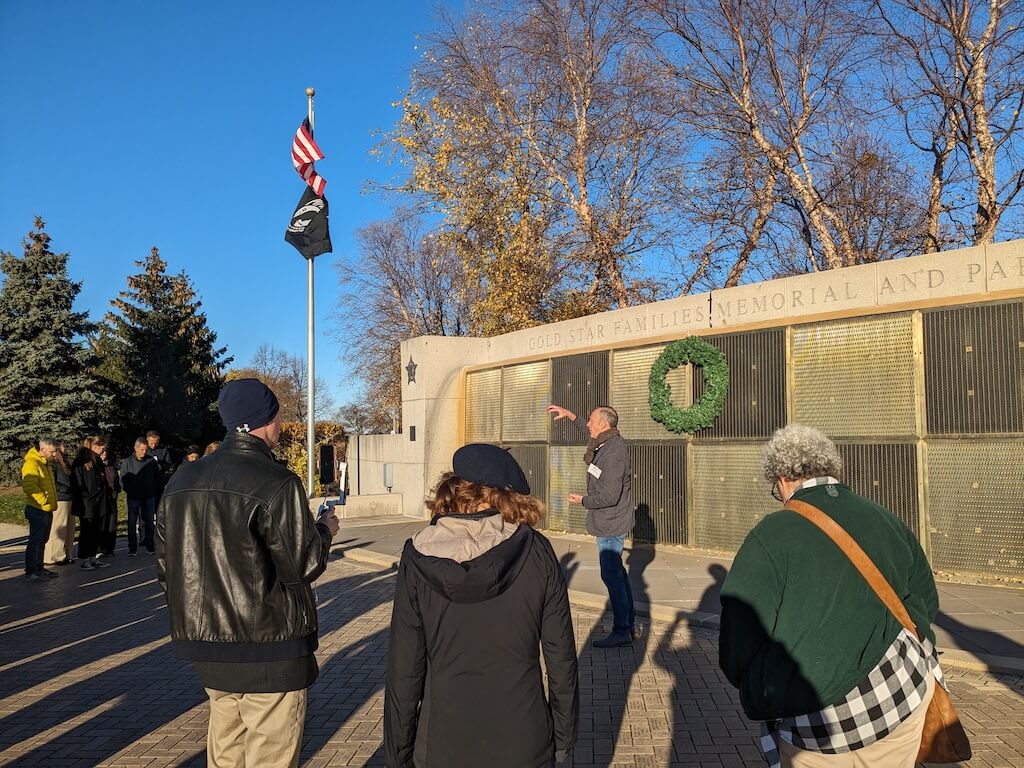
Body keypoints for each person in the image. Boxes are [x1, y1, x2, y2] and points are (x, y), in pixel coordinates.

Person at [719, 425, 941, 768]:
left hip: (818, 725)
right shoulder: (886, 518)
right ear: (829, 468)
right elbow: (925, 599)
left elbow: (739, 637)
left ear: (780, 479)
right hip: (900, 695)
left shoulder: (770, 535)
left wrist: (760, 683)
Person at [157, 378, 339, 768]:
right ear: (266, 420)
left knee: (225, 752)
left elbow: (167, 566)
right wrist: (324, 531)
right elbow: (303, 564)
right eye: (278, 417)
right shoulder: (276, 481)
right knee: (269, 756)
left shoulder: (181, 480)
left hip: (209, 646)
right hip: (270, 648)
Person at [384, 444, 578, 768]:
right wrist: (563, 736)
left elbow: (404, 669)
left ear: (452, 493)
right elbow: (561, 660)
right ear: (508, 497)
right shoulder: (537, 551)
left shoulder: (417, 557)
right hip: (525, 740)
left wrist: (398, 753)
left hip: (442, 744)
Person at [546, 404, 635, 647]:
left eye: (592, 420)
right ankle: (629, 624)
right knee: (617, 573)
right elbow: (587, 430)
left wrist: (582, 500)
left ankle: (622, 630)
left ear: (604, 425)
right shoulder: (605, 441)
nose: (588, 424)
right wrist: (571, 415)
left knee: (612, 575)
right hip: (608, 520)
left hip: (610, 522)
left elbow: (609, 496)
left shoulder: (614, 451)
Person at [71, 438, 113, 571]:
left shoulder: (97, 460)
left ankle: (93, 557)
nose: (103, 450)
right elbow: (78, 483)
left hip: (99, 502)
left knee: (97, 530)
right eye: (101, 447)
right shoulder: (81, 462)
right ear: (94, 446)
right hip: (87, 503)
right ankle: (84, 559)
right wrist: (89, 494)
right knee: (87, 531)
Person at [21, 438, 60, 581]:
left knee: (42, 540)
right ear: (43, 450)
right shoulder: (32, 463)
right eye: (52, 451)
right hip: (37, 508)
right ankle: (31, 570)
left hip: (46, 508)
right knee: (36, 540)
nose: (55, 454)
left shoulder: (46, 464)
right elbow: (30, 486)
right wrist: (43, 501)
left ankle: (39, 567)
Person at [120, 437, 160, 556]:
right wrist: (129, 491)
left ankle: (150, 546)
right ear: (136, 448)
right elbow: (123, 479)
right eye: (142, 449)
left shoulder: (151, 461)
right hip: (134, 497)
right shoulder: (127, 462)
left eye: (145, 450)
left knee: (148, 521)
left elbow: (157, 477)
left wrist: (153, 490)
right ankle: (132, 548)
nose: (144, 452)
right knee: (132, 522)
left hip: (149, 496)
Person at [44, 441, 76, 567]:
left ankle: (67, 554)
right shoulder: (52, 464)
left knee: (69, 529)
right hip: (60, 499)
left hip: (70, 498)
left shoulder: (65, 464)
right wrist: (66, 488)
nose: (65, 449)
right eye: (63, 448)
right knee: (59, 528)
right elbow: (54, 483)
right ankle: (54, 556)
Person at [146, 430, 174, 505]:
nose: (154, 445)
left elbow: (168, 464)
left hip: (159, 482)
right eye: (151, 443)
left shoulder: (163, 450)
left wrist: (160, 465)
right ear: (147, 439)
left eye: (156, 443)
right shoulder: (142, 450)